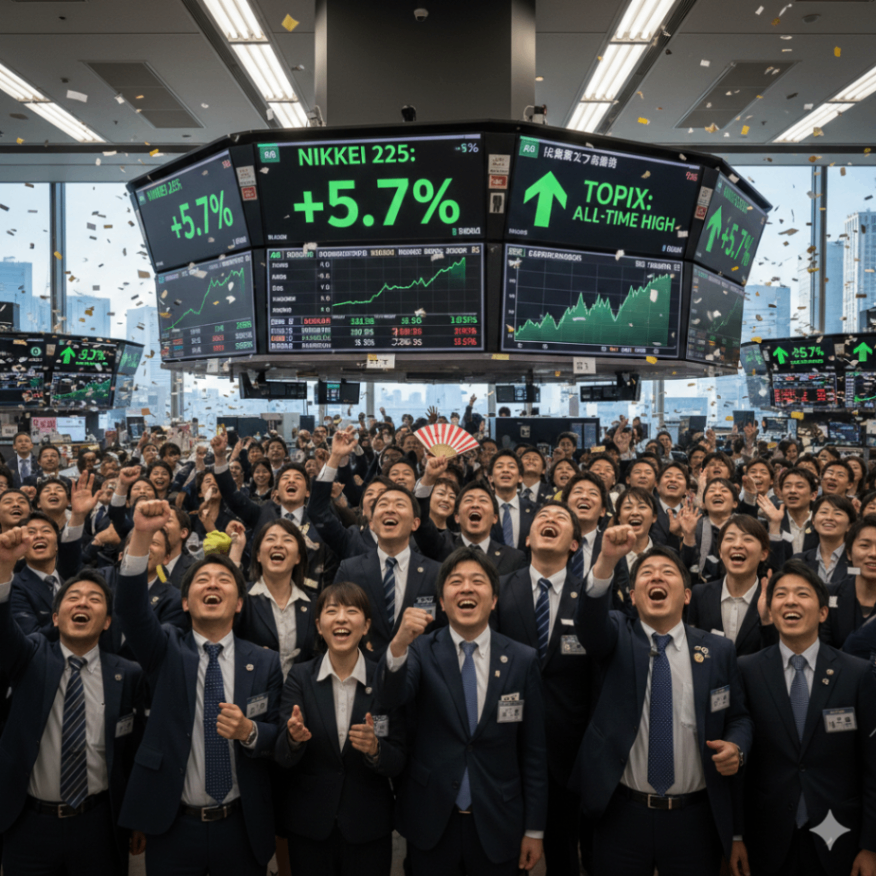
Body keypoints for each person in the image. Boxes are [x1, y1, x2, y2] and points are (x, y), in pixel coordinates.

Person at [113, 499, 283, 876]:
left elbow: (276, 735)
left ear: (239, 604)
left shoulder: (264, 662)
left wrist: (249, 731)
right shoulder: (166, 649)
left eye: (224, 580)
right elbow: (130, 610)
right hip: (174, 825)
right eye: (201, 580)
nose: (212, 584)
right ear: (185, 603)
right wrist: (141, 534)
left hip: (240, 825)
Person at [571, 530, 753, 876]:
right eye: (646, 573)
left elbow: (739, 718)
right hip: (623, 812)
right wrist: (606, 560)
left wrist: (737, 748)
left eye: (668, 572)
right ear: (633, 596)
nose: (656, 577)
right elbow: (590, 621)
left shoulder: (717, 651)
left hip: (694, 817)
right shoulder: (616, 634)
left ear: (686, 595)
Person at [377, 546, 547, 875]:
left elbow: (534, 752)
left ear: (494, 600)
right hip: (431, 821)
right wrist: (398, 645)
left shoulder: (522, 660)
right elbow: (390, 696)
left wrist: (535, 829)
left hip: (499, 822)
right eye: (456, 581)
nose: (467, 588)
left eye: (477, 581)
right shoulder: (420, 650)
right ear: (442, 602)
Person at [0, 530, 144, 876]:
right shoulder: (30, 656)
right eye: (73, 597)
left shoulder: (128, 674)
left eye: (94, 599)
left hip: (99, 824)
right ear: (55, 617)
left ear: (107, 621)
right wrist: (4, 566)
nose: (82, 604)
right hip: (29, 824)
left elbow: (133, 753)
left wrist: (136, 816)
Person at [732, 559, 876, 876]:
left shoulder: (856, 673)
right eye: (781, 594)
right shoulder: (747, 670)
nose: (791, 601)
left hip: (838, 836)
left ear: (823, 612)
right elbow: (741, 769)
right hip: (765, 837)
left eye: (802, 593)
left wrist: (871, 845)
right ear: (771, 611)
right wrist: (736, 835)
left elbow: (872, 764)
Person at [275, 581, 406, 876]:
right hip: (309, 827)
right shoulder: (300, 677)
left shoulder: (383, 679)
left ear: (366, 625)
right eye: (332, 611)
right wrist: (293, 739)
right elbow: (281, 755)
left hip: (368, 827)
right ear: (319, 626)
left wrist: (375, 749)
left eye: (352, 611)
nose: (342, 619)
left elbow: (399, 759)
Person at [494, 501, 591, 876]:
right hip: (507, 743)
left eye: (561, 518)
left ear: (574, 544)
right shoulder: (500, 589)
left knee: (564, 854)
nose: (550, 519)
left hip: (568, 749)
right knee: (505, 853)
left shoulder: (589, 597)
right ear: (527, 538)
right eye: (542, 517)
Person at [333, 485, 440, 661]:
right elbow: (334, 621)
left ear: (415, 523)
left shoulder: (435, 572)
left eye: (400, 504)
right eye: (383, 504)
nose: (390, 509)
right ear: (372, 524)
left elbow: (442, 632)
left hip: (419, 670)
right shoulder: (350, 570)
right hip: (363, 668)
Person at [237, 519, 317, 680]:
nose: (278, 545)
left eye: (287, 540)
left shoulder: (314, 603)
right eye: (270, 539)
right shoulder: (241, 598)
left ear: (298, 557)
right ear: (258, 556)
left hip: (298, 693)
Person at [687, 516, 773, 656]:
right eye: (730, 538)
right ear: (720, 552)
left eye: (747, 539)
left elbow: (775, 655)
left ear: (763, 553)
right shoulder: (700, 594)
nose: (737, 545)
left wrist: (767, 622)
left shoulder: (771, 599)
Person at [821, 515, 876, 649]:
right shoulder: (828, 594)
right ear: (849, 553)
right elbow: (823, 650)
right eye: (864, 545)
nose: (873, 553)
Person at [488, 451, 537, 552]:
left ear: (520, 478)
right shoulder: (483, 509)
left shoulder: (535, 510)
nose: (505, 470)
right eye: (499, 466)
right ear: (490, 478)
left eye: (511, 466)